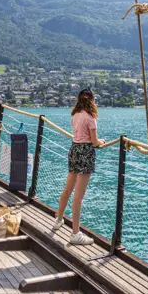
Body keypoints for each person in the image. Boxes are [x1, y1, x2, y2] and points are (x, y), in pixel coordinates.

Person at [52, 88, 103, 245]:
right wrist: (101, 142)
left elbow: (80, 135)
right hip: (86, 152)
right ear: (92, 100)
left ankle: (58, 220)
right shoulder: (90, 118)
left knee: (68, 189)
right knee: (78, 197)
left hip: (74, 149)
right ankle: (75, 233)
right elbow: (94, 142)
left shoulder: (75, 115)